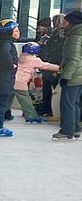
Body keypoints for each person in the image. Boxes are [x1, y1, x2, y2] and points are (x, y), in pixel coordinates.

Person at [53, 10, 82, 141]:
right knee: (75, 103)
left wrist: (66, 76)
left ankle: (67, 131)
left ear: (72, 23)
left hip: (74, 74)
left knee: (68, 103)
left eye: (65, 22)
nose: (63, 25)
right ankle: (75, 128)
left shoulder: (75, 36)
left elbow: (74, 58)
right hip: (79, 74)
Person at [13, 41, 57, 124]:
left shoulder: (22, 57)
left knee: (8, 99)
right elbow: (46, 65)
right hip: (21, 83)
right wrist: (59, 68)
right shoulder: (34, 60)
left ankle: (3, 113)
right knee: (26, 100)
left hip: (12, 80)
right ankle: (31, 116)